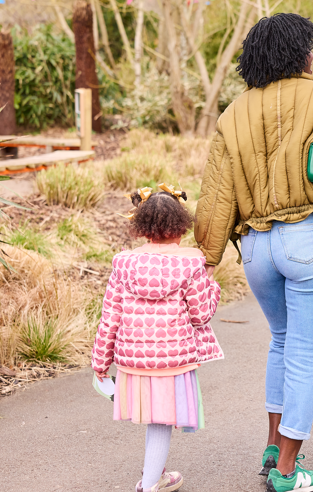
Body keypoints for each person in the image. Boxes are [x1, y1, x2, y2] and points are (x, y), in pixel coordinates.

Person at [195, 13, 313, 492]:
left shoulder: (233, 113)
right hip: (308, 241)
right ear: (303, 52)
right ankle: (287, 472)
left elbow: (216, 198)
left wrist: (206, 260)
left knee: (280, 342)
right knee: (303, 352)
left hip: (256, 248)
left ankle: (274, 446)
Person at [91, 185, 223, 492]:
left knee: (155, 420)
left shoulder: (123, 263)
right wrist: (213, 287)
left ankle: (157, 474)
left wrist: (100, 364)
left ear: (143, 227)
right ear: (180, 226)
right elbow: (202, 315)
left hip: (133, 361)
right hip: (172, 361)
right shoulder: (191, 263)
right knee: (161, 422)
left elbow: (109, 317)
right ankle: (149, 485)